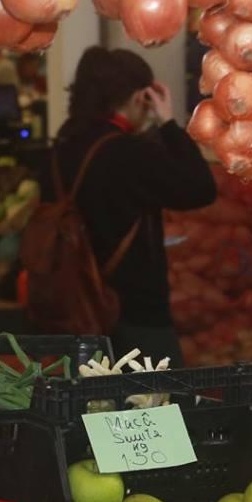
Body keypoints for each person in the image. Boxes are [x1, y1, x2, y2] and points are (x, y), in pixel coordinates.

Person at [43, 47, 215, 365]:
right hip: (135, 311)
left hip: (75, 306)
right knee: (157, 407)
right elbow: (201, 188)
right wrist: (167, 122)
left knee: (88, 407)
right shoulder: (129, 154)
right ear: (140, 98)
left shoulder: (62, 146)